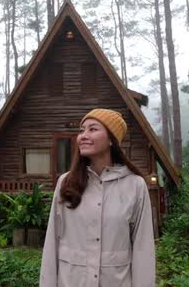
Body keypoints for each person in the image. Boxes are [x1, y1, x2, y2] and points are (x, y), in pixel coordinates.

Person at [39, 108, 156, 287]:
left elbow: (143, 249)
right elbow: (52, 244)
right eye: (82, 130)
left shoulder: (135, 186)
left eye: (93, 129)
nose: (83, 136)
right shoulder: (66, 182)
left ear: (111, 140)